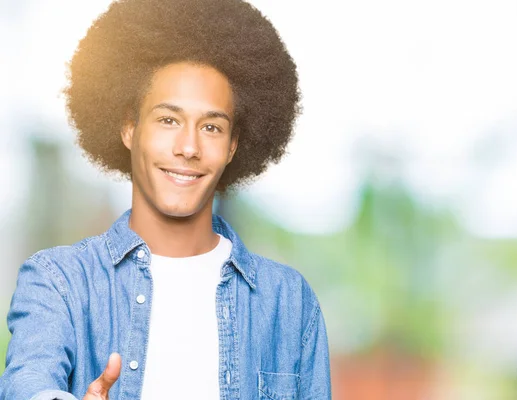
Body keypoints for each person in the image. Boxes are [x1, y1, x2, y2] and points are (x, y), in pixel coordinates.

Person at [0, 0, 331, 399]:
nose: (188, 147)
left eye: (211, 126)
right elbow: (28, 384)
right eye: (168, 120)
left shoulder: (289, 303)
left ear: (232, 146)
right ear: (128, 128)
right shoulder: (59, 282)